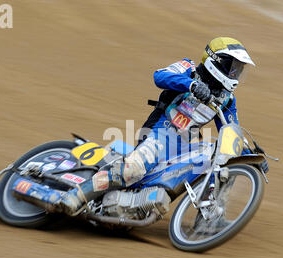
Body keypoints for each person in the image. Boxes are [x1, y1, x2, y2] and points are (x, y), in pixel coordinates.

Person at [56, 37, 268, 216]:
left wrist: (249, 156)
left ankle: (208, 219)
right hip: (160, 131)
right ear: (216, 62)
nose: (235, 74)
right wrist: (191, 85)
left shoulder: (227, 100)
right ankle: (76, 196)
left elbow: (230, 130)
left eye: (239, 70)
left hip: (186, 145)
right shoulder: (189, 69)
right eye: (233, 67)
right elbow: (160, 76)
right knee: (133, 170)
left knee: (224, 164)